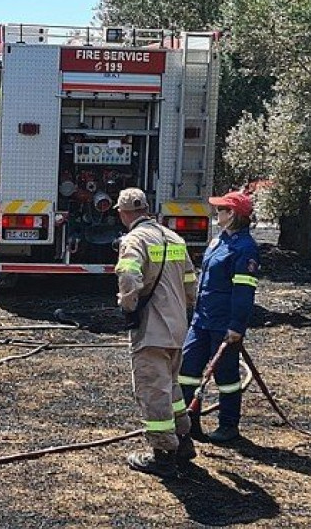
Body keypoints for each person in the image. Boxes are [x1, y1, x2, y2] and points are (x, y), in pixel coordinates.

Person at [114, 188, 198, 477]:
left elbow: (127, 273)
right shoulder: (174, 237)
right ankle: (184, 440)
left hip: (152, 330)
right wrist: (183, 309)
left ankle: (163, 456)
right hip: (177, 327)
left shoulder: (134, 240)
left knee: (153, 391)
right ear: (147, 209)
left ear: (124, 213)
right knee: (172, 387)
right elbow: (190, 282)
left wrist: (128, 305)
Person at [178, 190, 260, 444]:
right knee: (187, 370)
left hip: (224, 324)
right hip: (202, 321)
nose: (217, 213)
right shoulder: (218, 240)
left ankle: (228, 426)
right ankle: (189, 422)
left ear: (232, 214)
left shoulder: (245, 249)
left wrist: (236, 326)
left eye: (221, 209)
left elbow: (244, 291)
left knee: (226, 378)